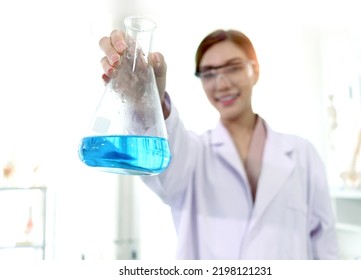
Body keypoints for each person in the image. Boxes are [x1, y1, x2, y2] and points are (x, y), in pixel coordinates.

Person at [99, 28, 339, 260]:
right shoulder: (193, 155)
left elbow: (325, 247)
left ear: (255, 70)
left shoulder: (303, 154)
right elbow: (165, 164)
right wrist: (148, 102)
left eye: (233, 68)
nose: (222, 83)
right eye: (209, 73)